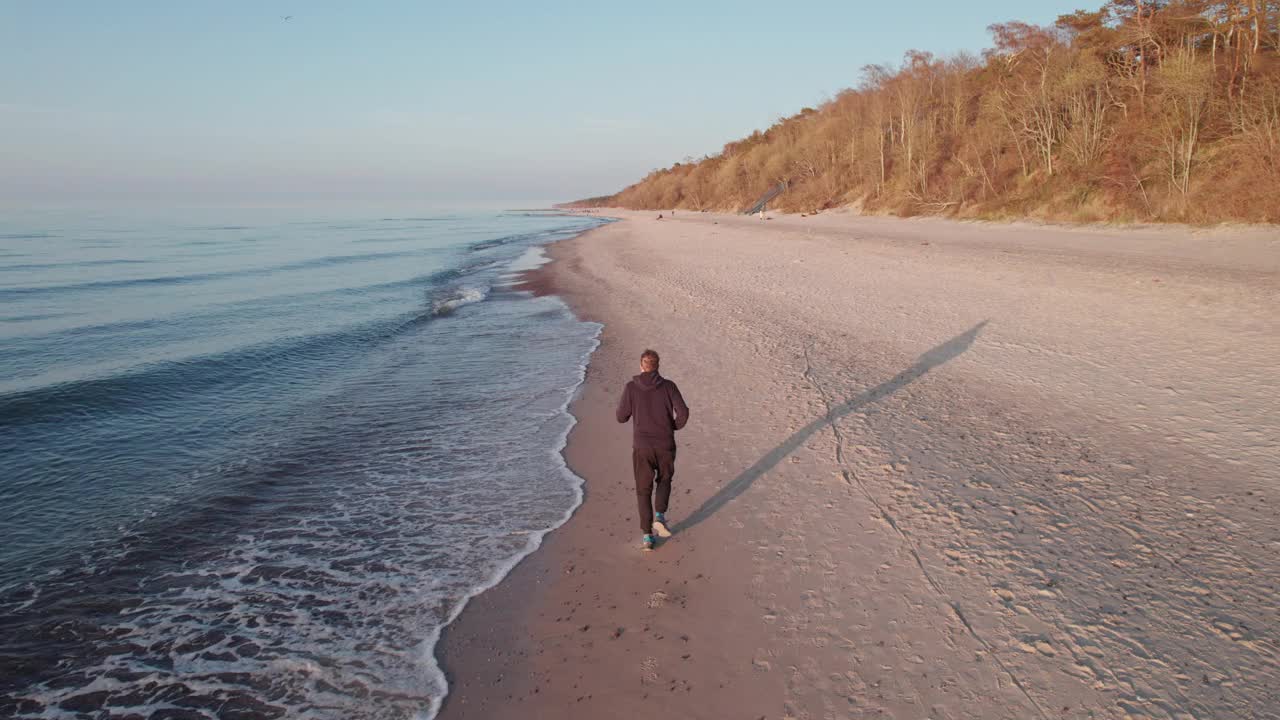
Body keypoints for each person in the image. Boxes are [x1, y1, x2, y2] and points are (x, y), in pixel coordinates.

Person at [616, 349, 690, 551]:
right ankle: (660, 515)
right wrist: (672, 427)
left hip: (642, 447)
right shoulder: (668, 386)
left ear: (641, 366)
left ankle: (647, 537)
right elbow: (683, 412)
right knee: (664, 479)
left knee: (643, 490)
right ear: (657, 366)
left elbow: (621, 417)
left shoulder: (631, 387)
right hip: (665, 443)